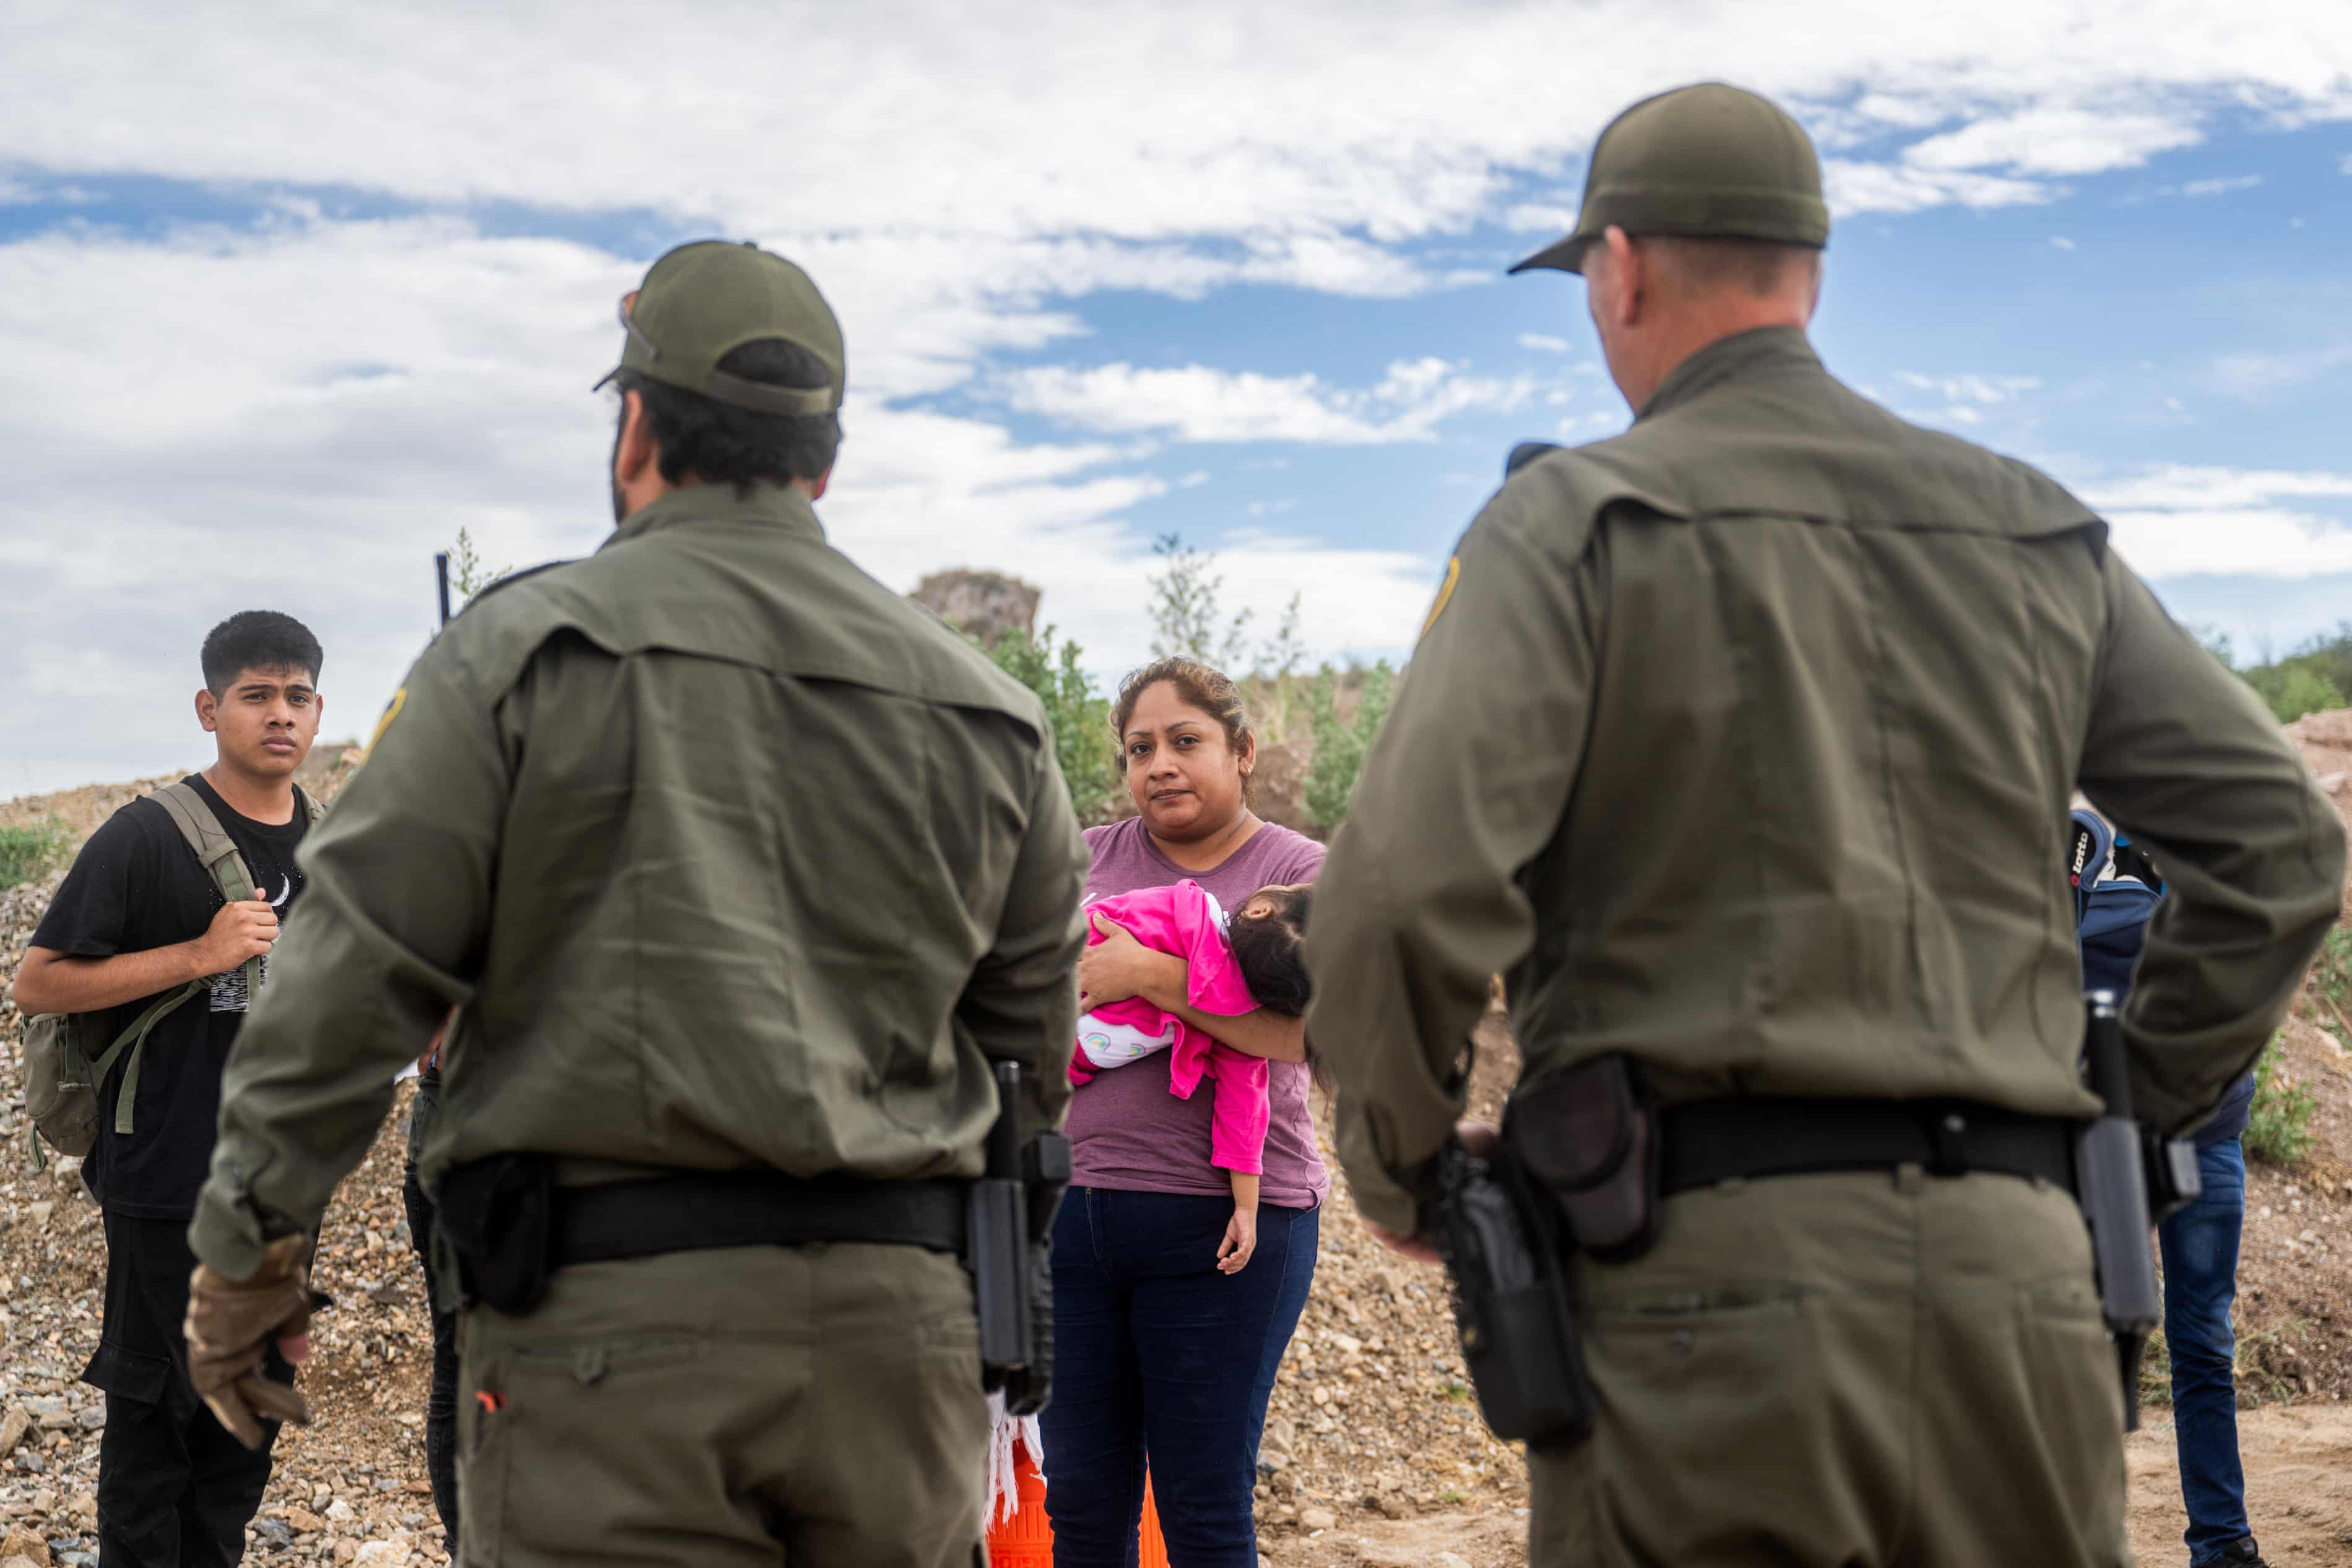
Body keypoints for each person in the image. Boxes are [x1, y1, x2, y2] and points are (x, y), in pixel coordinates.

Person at [1304, 81, 2347, 1568]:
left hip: (1700, 1301)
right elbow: (2279, 851)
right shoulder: (2027, 527)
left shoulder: (1575, 522)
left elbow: (1398, 890)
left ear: (1619, 268)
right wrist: (2112, 1119)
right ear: (1806, 274)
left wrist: (1403, 1169)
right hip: (2022, 1304)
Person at [178, 239, 1089, 1568]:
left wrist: (248, 1261)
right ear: (822, 461)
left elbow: (342, 982)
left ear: (637, 425)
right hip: (907, 1352)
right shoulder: (988, 714)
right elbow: (1031, 1057)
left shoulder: (517, 653)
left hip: (611, 1344)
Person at [11, 610, 326, 1567]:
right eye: (258, 695)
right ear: (209, 707)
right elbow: (39, 979)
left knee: (243, 1422)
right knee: (157, 1422)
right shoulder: (147, 836)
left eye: (299, 696)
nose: (282, 715)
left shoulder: (329, 845)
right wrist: (198, 954)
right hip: (164, 1179)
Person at [1045, 658, 1327, 1568]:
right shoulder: (1080, 858)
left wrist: (1153, 978)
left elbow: (1316, 1035)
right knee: (1082, 1512)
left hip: (1227, 1231)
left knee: (1203, 1512)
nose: (1160, 763)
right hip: (1066, 1221)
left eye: (1186, 741)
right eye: (1140, 747)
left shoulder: (1298, 870)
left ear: (1243, 753)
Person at [2073, 806, 2268, 1568]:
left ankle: (2167, 1539)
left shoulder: (2087, 882)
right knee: (2190, 1349)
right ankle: (2211, 1541)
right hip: (2175, 1136)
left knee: (2115, 1349)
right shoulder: (2084, 854)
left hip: (2130, 1137)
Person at [1070, 879, 1314, 1273]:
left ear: (1260, 908)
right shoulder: (1239, 1027)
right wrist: (1246, 1208)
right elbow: (1243, 1116)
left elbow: (1092, 922)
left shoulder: (1181, 909)